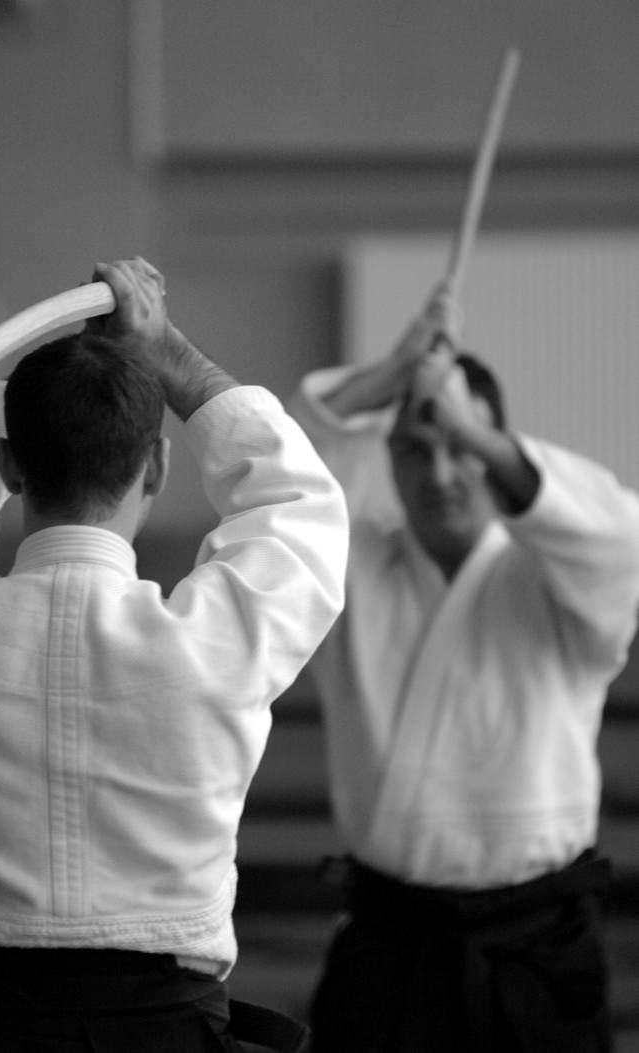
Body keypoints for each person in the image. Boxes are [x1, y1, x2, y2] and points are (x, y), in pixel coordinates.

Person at [0, 257, 348, 1052]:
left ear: (11, 464)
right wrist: (172, 358)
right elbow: (297, 504)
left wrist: (43, 381)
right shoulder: (217, 639)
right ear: (156, 464)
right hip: (169, 1030)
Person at [289, 283, 639, 1053]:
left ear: (495, 447)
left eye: (461, 449)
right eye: (416, 448)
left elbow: (623, 540)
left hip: (538, 947)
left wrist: (471, 427)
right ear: (388, 459)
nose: (442, 472)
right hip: (391, 939)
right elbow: (284, 484)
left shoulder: (560, 580)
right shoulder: (352, 572)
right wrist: (393, 371)